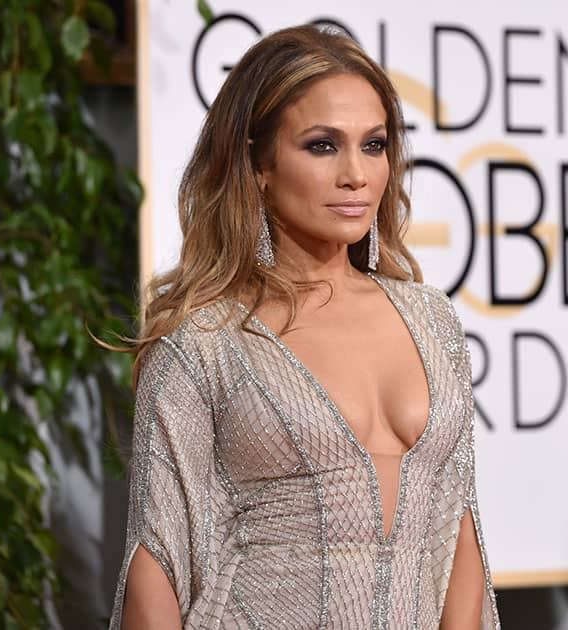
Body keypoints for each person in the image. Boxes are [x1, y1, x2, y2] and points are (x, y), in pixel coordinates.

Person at [109, 25, 500, 629]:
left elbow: (457, 524)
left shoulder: (430, 318)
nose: (357, 175)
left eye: (375, 145)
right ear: (257, 164)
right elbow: (156, 560)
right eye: (322, 146)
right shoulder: (203, 342)